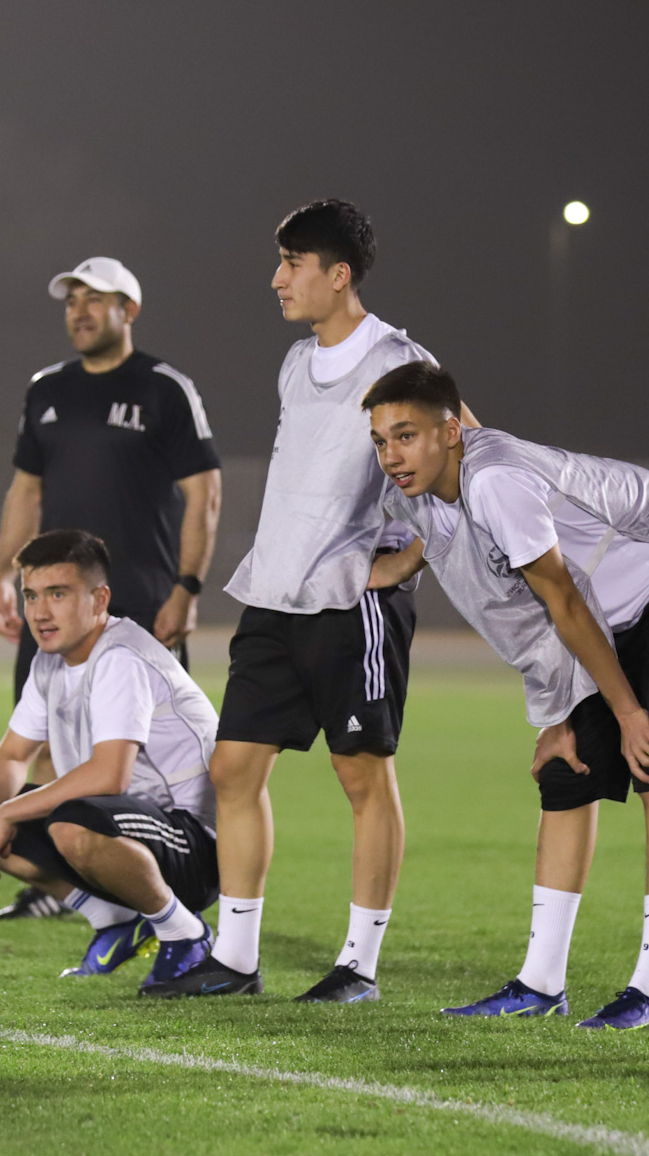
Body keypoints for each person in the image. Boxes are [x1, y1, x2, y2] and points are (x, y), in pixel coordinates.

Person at [145, 200, 474, 1003]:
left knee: (360, 777)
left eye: (293, 263)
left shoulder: (399, 357)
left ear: (339, 274)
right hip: (275, 593)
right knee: (233, 768)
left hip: (350, 603)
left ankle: (358, 966)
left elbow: (470, 457)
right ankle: (239, 959)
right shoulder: (296, 362)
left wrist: (407, 564)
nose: (277, 278)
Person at [361, 362, 649, 1029]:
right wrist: (563, 713)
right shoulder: (433, 495)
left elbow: (560, 600)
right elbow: (531, 611)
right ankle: (539, 984)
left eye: (406, 435)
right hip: (609, 610)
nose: (391, 455)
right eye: (380, 441)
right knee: (568, 773)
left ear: (451, 432)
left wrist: (625, 712)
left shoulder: (496, 484)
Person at [0, 256, 222, 921]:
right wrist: (5, 572)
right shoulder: (46, 390)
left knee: (148, 755)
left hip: (141, 600)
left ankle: (173, 878)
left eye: (97, 299)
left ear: (130, 311)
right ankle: (72, 890)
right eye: (72, 301)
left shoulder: (164, 389)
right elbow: (25, 491)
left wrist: (188, 586)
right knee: (56, 742)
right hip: (56, 602)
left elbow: (204, 491)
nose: (80, 311)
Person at [0, 530, 221, 990]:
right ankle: (112, 921)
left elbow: (110, 775)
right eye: (31, 595)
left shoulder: (121, 656)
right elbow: (13, 753)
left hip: (195, 846)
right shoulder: (50, 662)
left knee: (70, 822)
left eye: (58, 594)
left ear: (99, 599)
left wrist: (9, 811)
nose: (39, 611)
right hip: (119, 828)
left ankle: (184, 932)